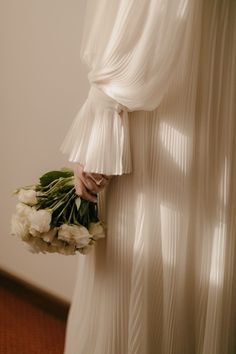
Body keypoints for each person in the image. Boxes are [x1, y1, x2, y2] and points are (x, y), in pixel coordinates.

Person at [60, 0, 236, 353]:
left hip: (164, 111)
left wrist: (102, 122)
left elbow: (142, 11)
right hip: (217, 101)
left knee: (142, 275)